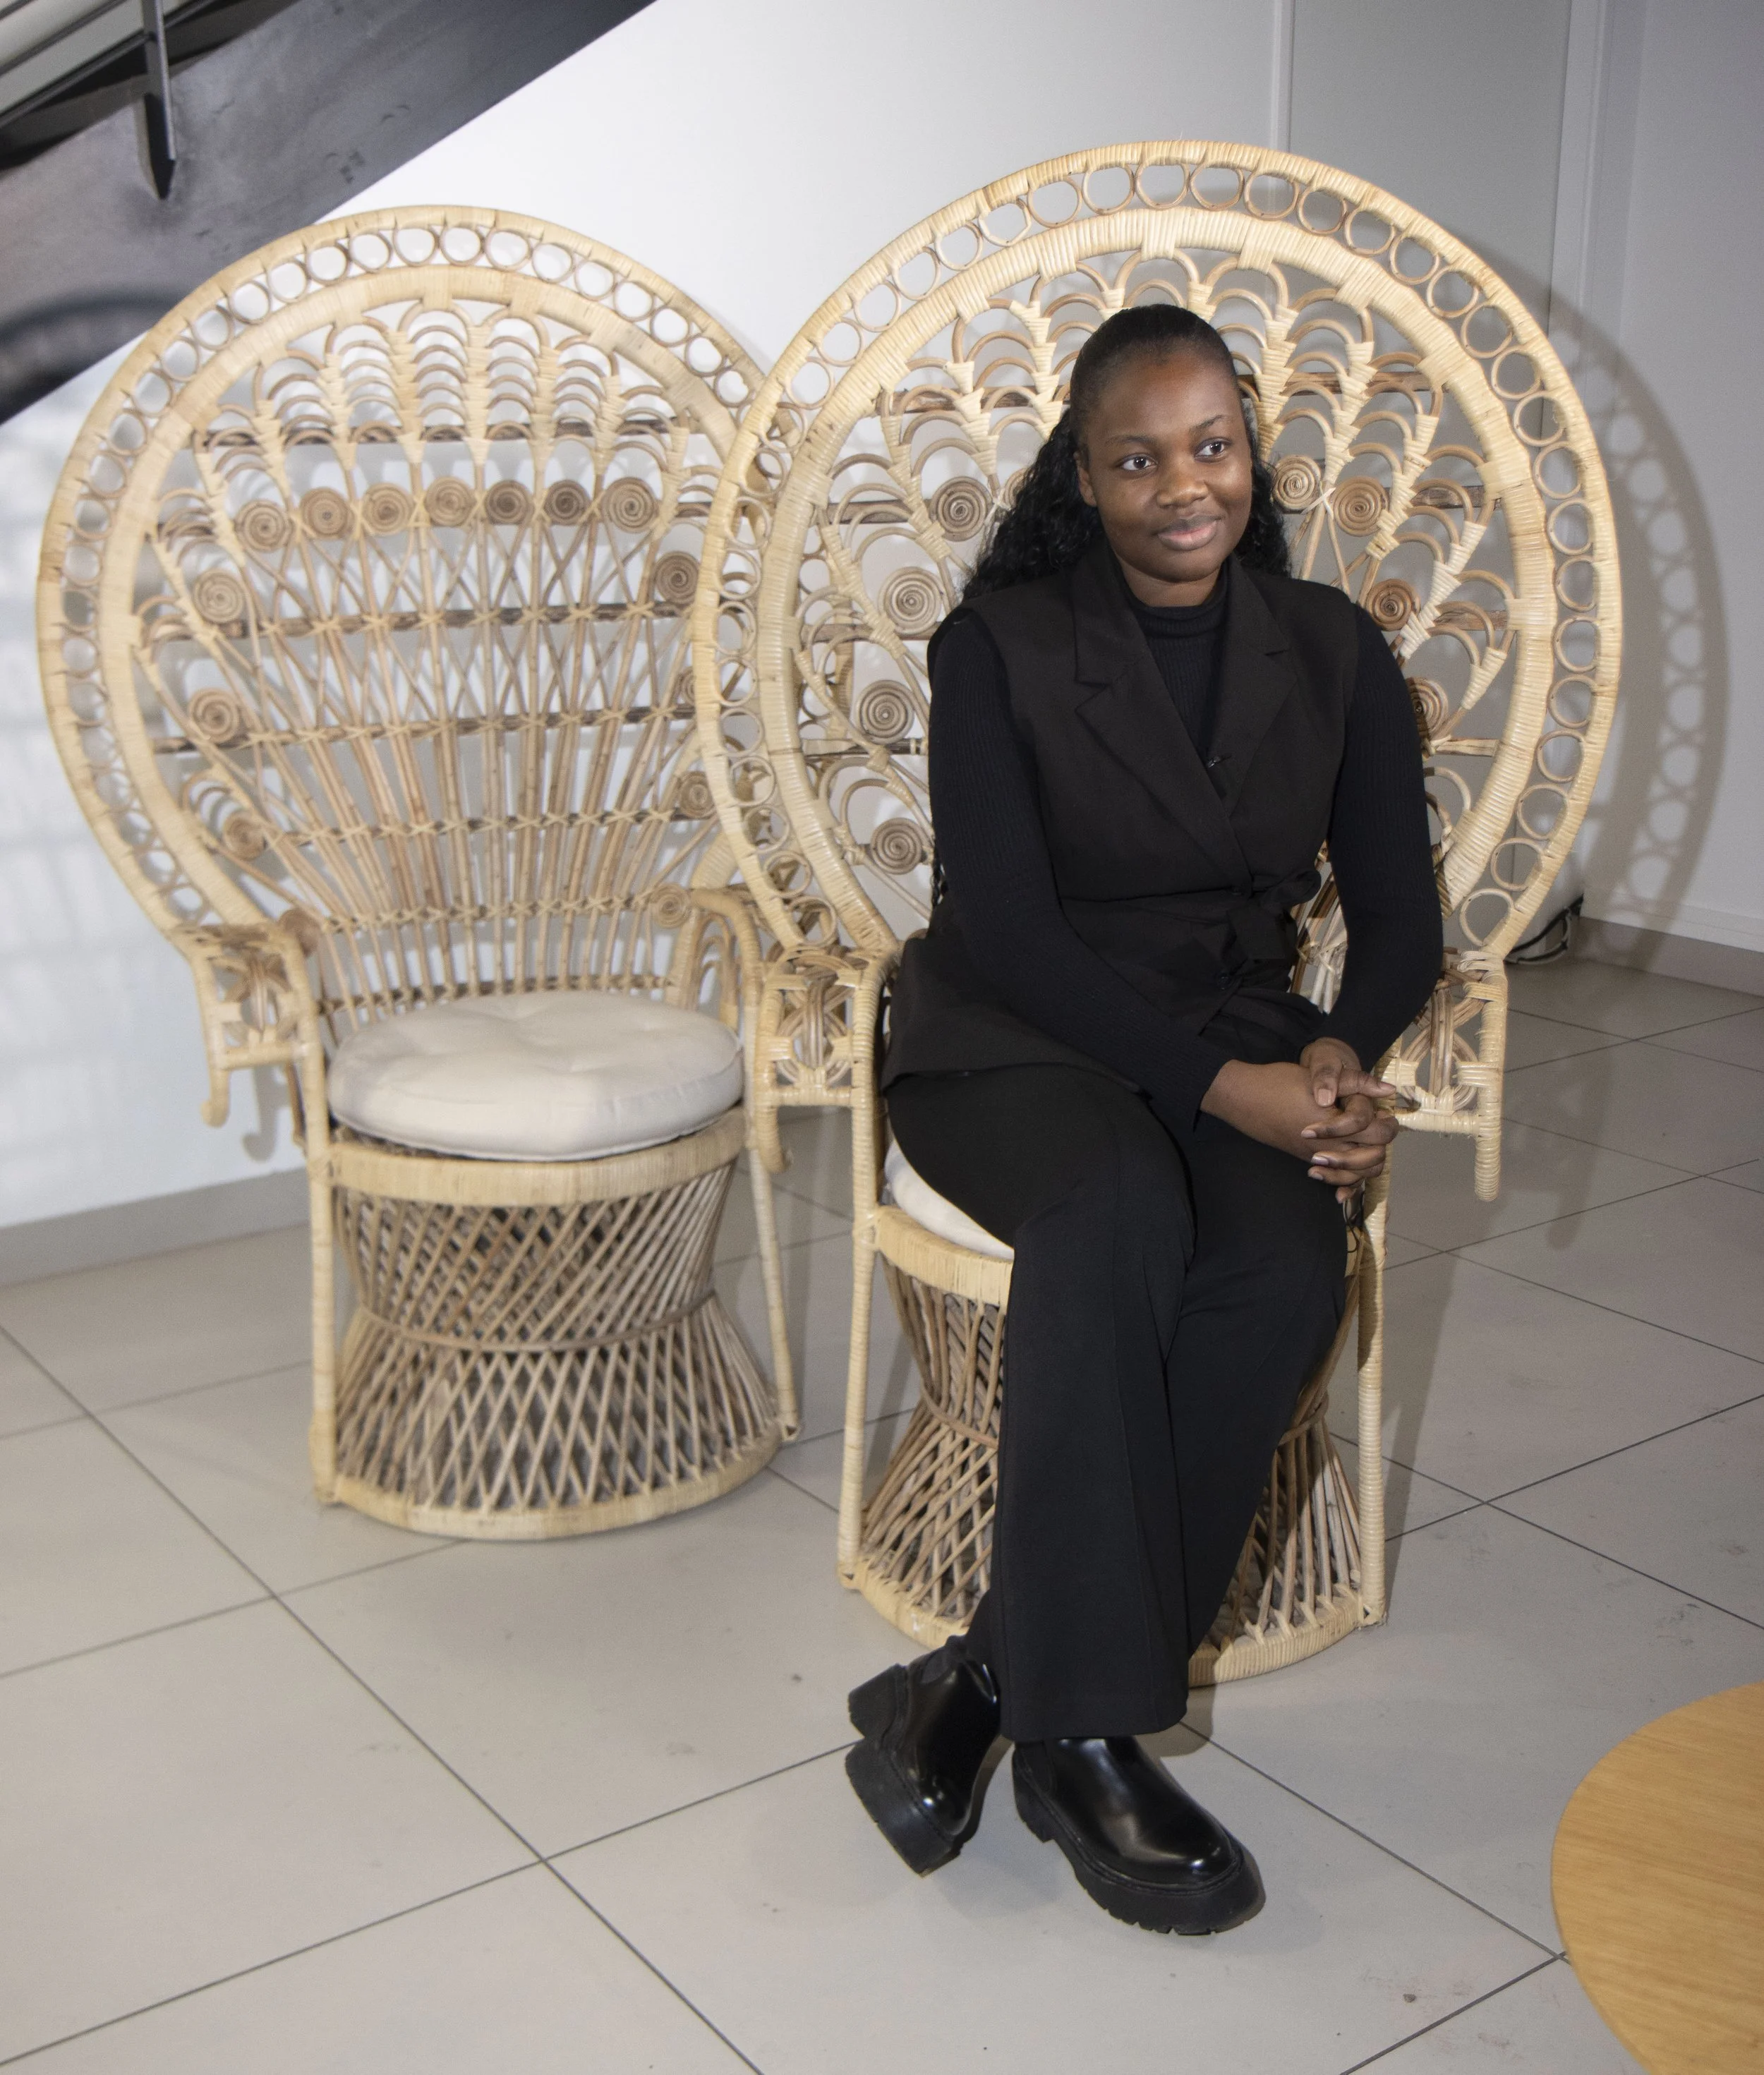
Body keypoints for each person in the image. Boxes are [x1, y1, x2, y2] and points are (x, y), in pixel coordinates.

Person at [842, 304, 1442, 1935]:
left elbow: (1397, 914)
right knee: (1115, 1213)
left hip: (1234, 1026)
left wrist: (1333, 1054)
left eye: (1211, 447)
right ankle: (1092, 1739)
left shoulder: (1325, 647)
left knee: (1277, 1270)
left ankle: (987, 1689)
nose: (1185, 487)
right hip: (1010, 1032)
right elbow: (1014, 931)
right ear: (1086, 479)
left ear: (1247, 450)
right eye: (1138, 459)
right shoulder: (1004, 648)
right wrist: (1222, 1091)